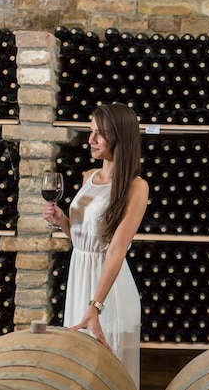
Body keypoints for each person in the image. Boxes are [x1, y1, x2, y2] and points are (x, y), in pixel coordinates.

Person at [43, 103, 148, 388]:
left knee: (108, 375)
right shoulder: (89, 177)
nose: (90, 140)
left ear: (120, 136)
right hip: (80, 282)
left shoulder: (136, 187)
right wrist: (63, 221)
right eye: (90, 132)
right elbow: (83, 241)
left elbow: (115, 249)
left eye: (99, 134)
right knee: (77, 372)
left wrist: (95, 306)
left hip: (108, 292)